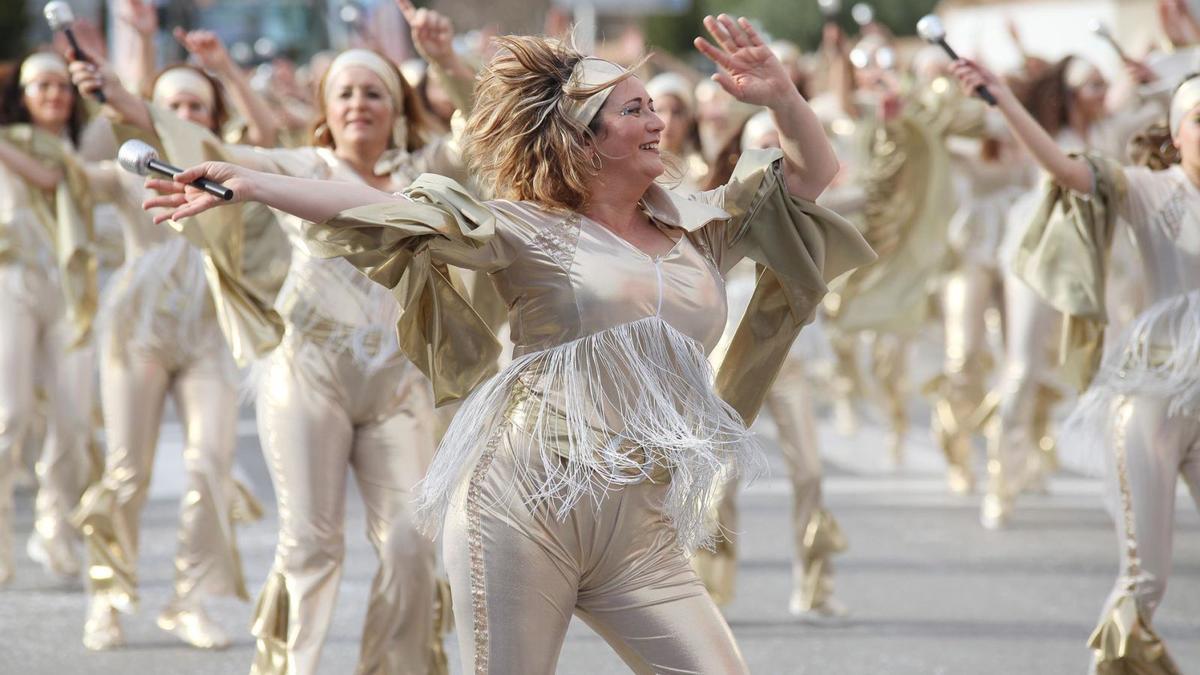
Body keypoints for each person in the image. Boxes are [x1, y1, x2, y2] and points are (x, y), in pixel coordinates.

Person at [140, 16, 874, 673]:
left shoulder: (703, 226)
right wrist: (257, 184)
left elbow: (812, 176)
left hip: (639, 526)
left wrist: (782, 98)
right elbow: (383, 209)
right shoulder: (527, 230)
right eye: (633, 109)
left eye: (654, 105)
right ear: (584, 141)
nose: (657, 120)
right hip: (523, 501)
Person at [72, 2, 469, 670]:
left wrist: (446, 62)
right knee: (313, 546)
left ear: (396, 108)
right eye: (344, 92)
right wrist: (123, 101)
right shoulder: (301, 166)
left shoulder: (427, 174)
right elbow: (213, 150)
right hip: (307, 371)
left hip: (398, 383)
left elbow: (481, 134)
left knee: (409, 542)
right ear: (326, 107)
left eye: (374, 91)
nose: (358, 103)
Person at [951, 56, 1198, 673]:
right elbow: (1061, 168)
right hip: (1157, 400)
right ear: (1176, 134)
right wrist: (1003, 98)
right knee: (1146, 580)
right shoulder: (1147, 189)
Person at [69, 26, 279, 650]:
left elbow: (265, 135)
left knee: (210, 465)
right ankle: (106, 593)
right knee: (127, 472)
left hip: (208, 333)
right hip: (137, 333)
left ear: (210, 120)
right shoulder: (123, 170)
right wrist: (100, 91)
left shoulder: (224, 169)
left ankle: (191, 601)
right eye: (173, 104)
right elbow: (77, 172)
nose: (183, 115)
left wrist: (228, 73)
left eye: (195, 107)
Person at [0, 51, 96, 586]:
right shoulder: (7, 142)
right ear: (22, 93)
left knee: (74, 418)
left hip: (71, 292)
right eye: (42, 86)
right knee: (8, 416)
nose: (55, 95)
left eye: (62, 86)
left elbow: (128, 109)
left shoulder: (82, 146)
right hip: (12, 286)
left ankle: (53, 525)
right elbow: (39, 178)